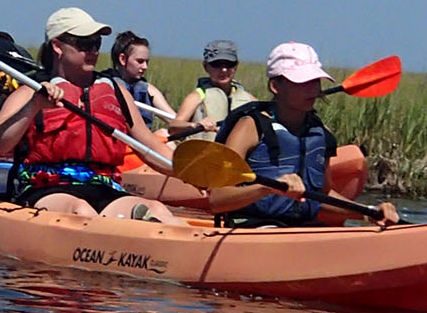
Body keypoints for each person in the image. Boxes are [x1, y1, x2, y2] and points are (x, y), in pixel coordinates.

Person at [0, 8, 186, 224]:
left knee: (156, 209)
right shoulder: (30, 92)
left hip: (103, 186)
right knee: (80, 210)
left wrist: (193, 174)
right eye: (84, 44)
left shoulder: (117, 93)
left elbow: (151, 149)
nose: (93, 51)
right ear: (57, 46)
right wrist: (34, 106)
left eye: (96, 44)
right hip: (46, 187)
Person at [209, 42, 401, 226]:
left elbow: (323, 195)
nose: (313, 89)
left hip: (302, 228)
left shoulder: (321, 133)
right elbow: (217, 199)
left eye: (315, 81)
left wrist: (369, 212)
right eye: (302, 82)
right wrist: (266, 188)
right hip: (252, 227)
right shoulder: (250, 127)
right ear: (275, 86)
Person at [97, 31, 191, 135]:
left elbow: (173, 119)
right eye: (140, 61)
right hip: (116, 142)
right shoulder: (103, 85)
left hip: (142, 144)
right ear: (123, 59)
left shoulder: (148, 89)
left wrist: (193, 125)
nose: (145, 67)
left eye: (147, 62)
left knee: (164, 133)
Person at [174, 39, 257, 141]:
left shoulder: (248, 99)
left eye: (229, 64)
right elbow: (174, 127)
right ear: (206, 67)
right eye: (217, 64)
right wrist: (195, 125)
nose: (224, 70)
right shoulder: (197, 96)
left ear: (236, 66)